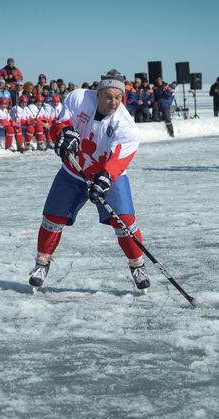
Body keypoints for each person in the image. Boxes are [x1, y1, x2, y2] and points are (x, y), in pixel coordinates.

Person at [29, 69, 149, 292]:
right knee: (52, 218)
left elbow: (119, 159)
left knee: (124, 221)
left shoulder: (127, 126)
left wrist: (105, 179)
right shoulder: (79, 98)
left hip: (107, 175)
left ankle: (137, 265)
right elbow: (60, 123)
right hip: (73, 172)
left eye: (118, 97)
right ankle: (41, 263)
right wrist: (64, 134)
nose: (113, 102)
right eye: (108, 96)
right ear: (98, 93)